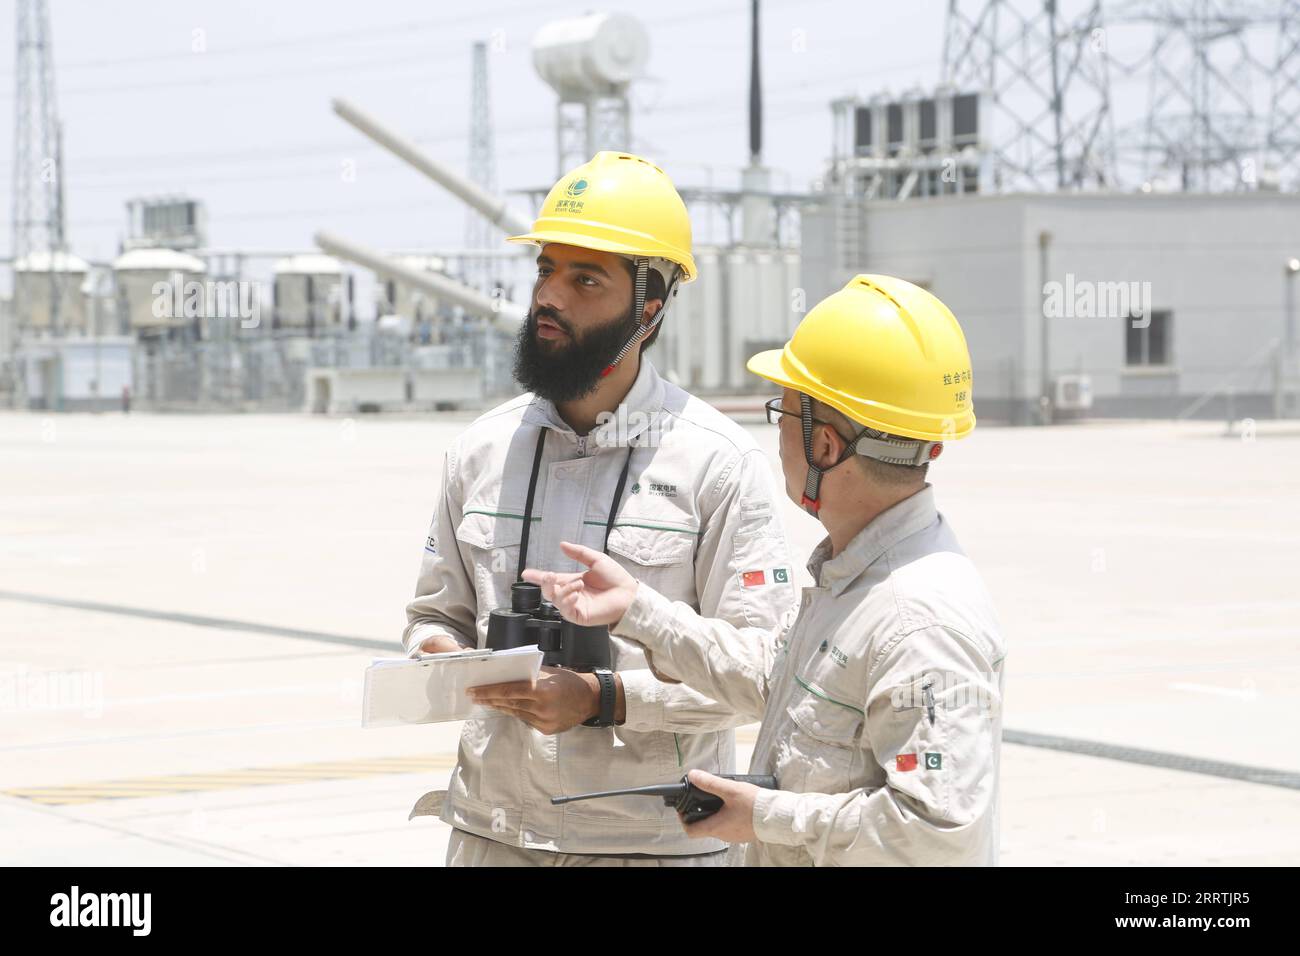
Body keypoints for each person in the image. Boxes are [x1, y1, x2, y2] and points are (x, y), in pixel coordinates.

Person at [520, 274, 1008, 866]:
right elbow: (770, 675)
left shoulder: (919, 621)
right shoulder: (856, 581)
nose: (776, 434)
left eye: (785, 412)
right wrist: (638, 610)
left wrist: (764, 817)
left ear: (825, 446)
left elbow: (936, 833)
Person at [403, 151, 796, 866]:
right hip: (495, 837)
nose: (550, 296)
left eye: (585, 279)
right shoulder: (482, 450)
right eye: (546, 270)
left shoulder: (715, 463)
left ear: (649, 307)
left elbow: (762, 675)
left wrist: (604, 697)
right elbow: (433, 616)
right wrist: (449, 661)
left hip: (648, 847)